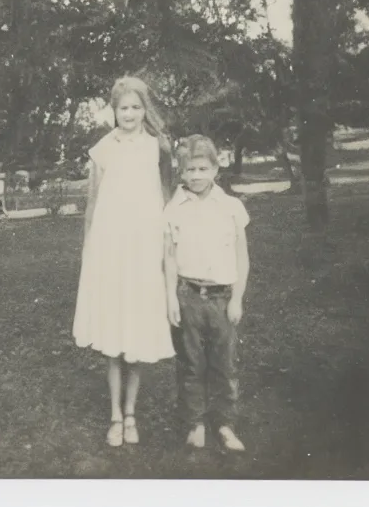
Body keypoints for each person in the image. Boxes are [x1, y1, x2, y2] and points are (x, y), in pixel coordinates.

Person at [73, 76, 175, 447]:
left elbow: (165, 198)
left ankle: (131, 412)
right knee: (113, 334)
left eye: (135, 107)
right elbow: (93, 203)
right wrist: (88, 247)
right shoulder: (102, 150)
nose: (129, 114)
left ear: (144, 110)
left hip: (144, 249)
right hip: (110, 249)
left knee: (138, 331)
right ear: (113, 111)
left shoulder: (156, 147)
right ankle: (115, 416)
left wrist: (167, 247)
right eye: (122, 108)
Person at [164, 134, 250, 452]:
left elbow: (242, 256)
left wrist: (238, 297)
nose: (196, 176)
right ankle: (195, 423)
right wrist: (172, 297)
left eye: (202, 168)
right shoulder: (174, 209)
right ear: (181, 171)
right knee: (190, 363)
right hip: (188, 294)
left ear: (215, 168)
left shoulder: (231, 207)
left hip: (223, 297)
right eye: (190, 170)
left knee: (225, 364)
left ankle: (225, 424)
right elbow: (170, 257)